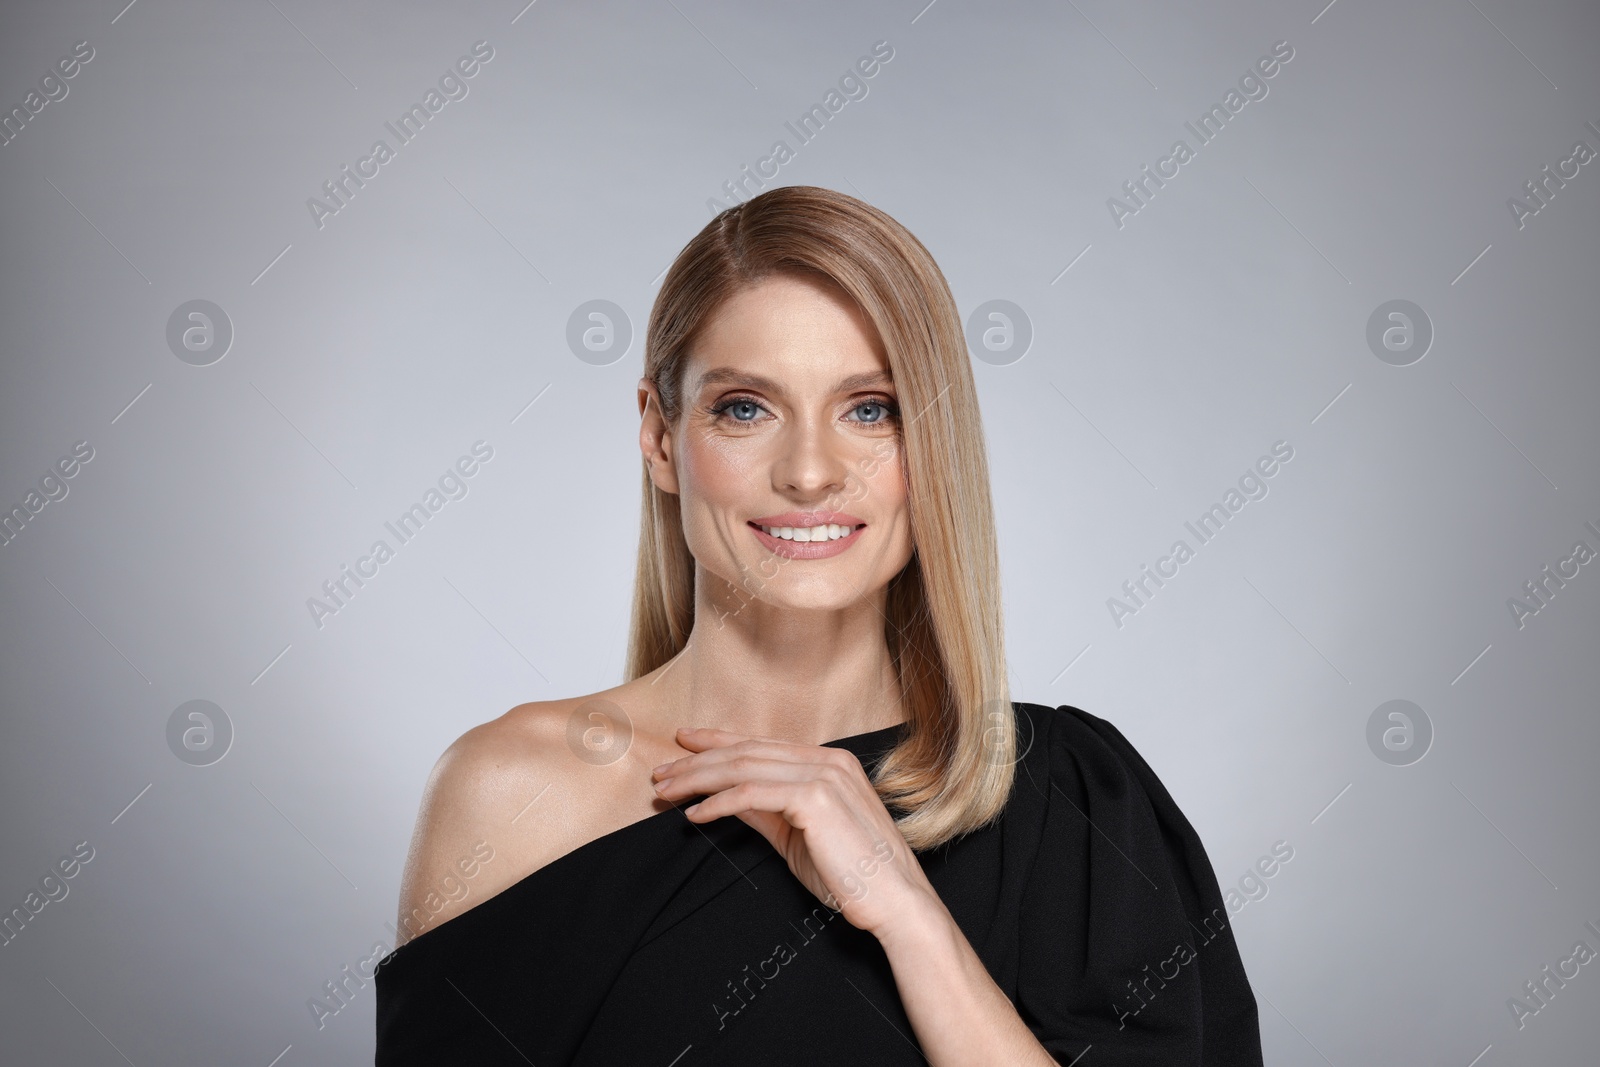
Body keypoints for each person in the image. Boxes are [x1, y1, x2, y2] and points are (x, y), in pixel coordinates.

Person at [373, 185, 1264, 1065]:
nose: (808, 472)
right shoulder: (514, 791)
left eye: (869, 409)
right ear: (658, 438)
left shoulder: (1079, 804)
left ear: (934, 443)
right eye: (745, 408)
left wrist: (910, 917)